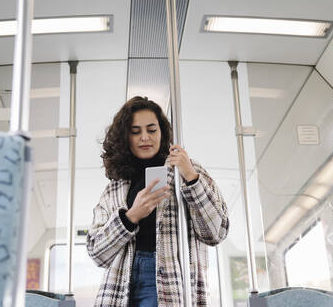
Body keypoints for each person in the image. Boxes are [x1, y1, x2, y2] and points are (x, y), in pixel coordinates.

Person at [86, 96, 229, 307]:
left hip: (170, 277)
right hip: (119, 283)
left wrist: (190, 176)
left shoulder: (187, 170)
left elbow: (216, 233)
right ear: (126, 138)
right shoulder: (115, 188)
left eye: (151, 130)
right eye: (135, 132)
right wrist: (131, 216)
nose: (145, 137)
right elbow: (97, 252)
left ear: (162, 133)